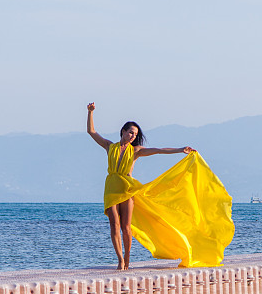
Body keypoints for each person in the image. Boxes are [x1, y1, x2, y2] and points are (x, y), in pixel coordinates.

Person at [87, 102, 234, 270]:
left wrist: (180, 150)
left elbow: (158, 150)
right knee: (114, 224)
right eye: (130, 132)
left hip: (127, 190)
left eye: (135, 135)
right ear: (123, 131)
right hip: (111, 189)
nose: (132, 136)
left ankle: (127, 258)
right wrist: (90, 112)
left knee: (126, 227)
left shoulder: (135, 151)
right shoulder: (109, 146)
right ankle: (120, 259)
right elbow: (91, 132)